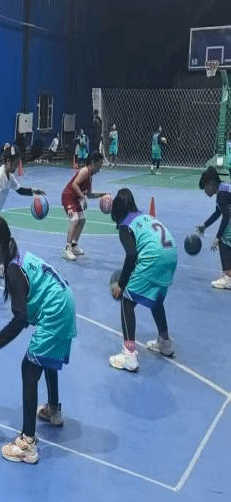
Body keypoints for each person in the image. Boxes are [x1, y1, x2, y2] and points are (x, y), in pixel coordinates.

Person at [0, 216, 76, 465]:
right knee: (45, 358)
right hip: (65, 301)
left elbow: (20, 319)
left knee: (29, 368)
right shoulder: (19, 258)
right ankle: (53, 409)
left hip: (56, 311)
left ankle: (27, 443)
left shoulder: (14, 271)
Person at [109, 188, 178, 371]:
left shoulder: (125, 225)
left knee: (126, 301)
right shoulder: (145, 217)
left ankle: (129, 355)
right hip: (171, 255)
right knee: (156, 300)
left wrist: (121, 285)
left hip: (154, 258)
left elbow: (131, 256)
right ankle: (165, 343)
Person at [0, 146, 45, 287]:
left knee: (1, 237)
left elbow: (19, 190)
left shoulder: (10, 176)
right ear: (7, 161)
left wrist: (33, 191)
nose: (17, 166)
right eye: (15, 163)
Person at [60, 151, 107, 261]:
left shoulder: (89, 177)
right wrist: (82, 198)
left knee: (82, 220)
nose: (100, 168)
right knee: (75, 219)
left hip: (75, 199)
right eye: (99, 165)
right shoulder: (85, 171)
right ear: (93, 163)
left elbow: (89, 195)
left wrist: (103, 194)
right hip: (68, 197)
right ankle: (67, 249)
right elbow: (74, 184)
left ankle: (74, 245)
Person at [197, 166, 231, 289]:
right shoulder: (224, 188)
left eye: (205, 188)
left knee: (224, 240)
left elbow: (226, 216)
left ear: (211, 183)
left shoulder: (222, 195)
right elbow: (218, 212)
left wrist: (218, 237)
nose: (205, 192)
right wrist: (205, 225)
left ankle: (227, 278)